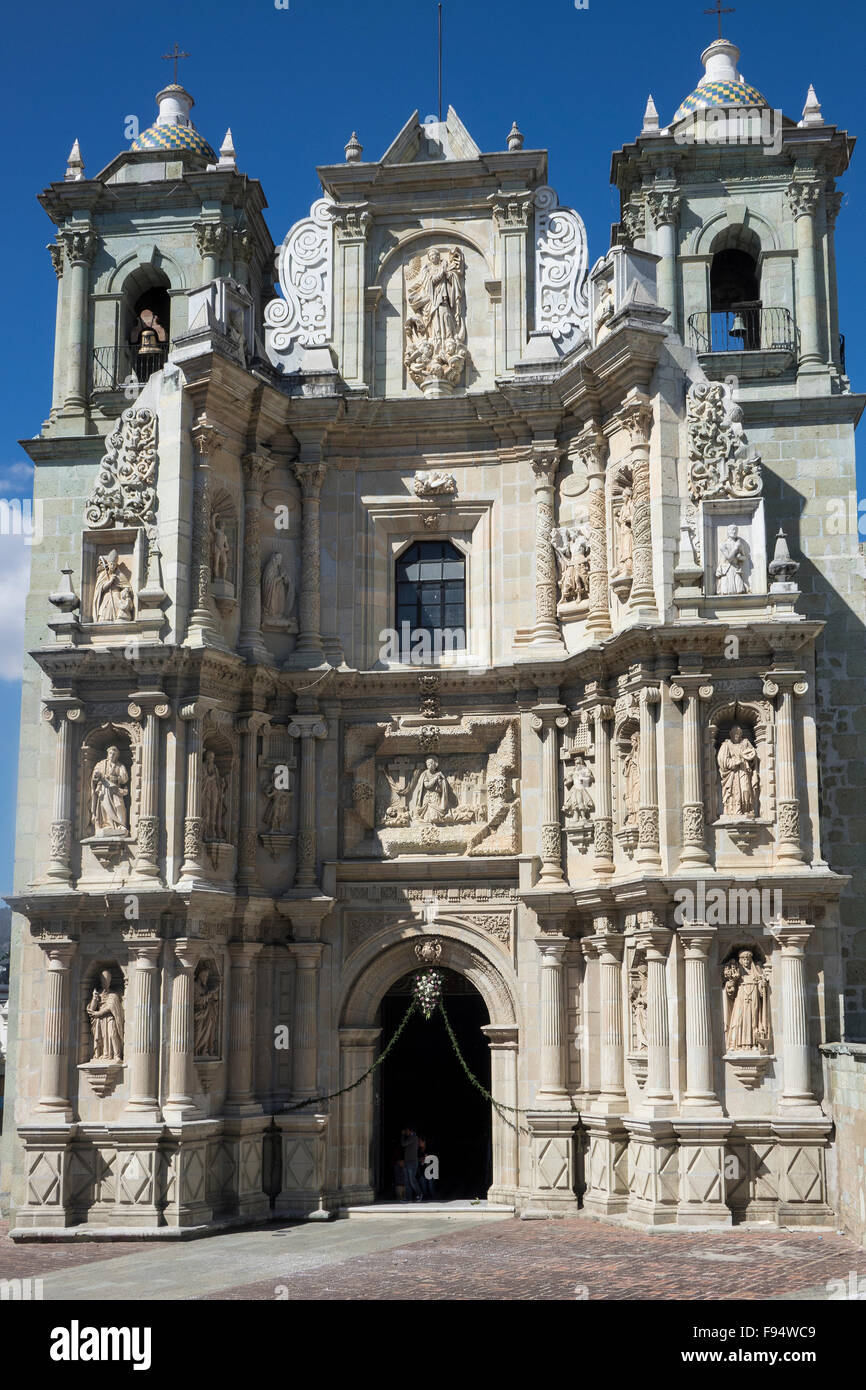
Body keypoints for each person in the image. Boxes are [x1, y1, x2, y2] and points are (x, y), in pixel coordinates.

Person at [400, 1125, 423, 1202]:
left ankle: (419, 1194)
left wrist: (402, 1135)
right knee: (407, 1182)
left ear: (410, 1131)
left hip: (412, 1163)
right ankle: (408, 1198)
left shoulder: (414, 1137)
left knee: (412, 1180)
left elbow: (403, 1144)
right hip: (407, 1162)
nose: (405, 1132)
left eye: (406, 1131)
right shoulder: (410, 1137)